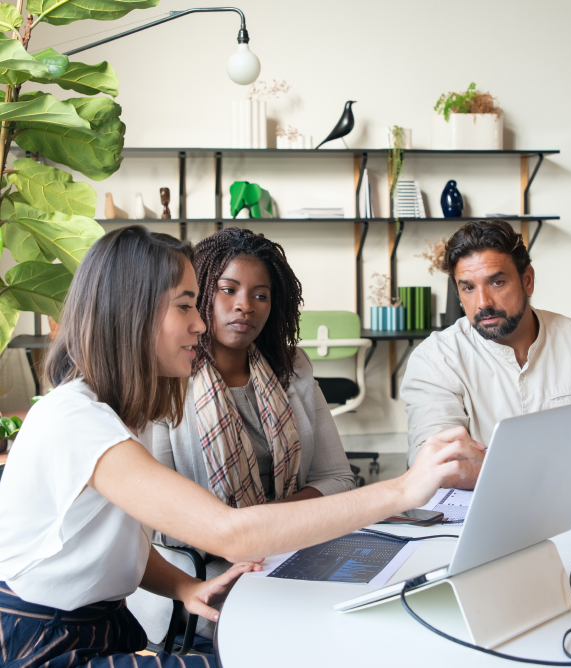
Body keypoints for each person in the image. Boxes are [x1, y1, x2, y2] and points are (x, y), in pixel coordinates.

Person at [0, 226, 482, 668]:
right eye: (187, 305)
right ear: (133, 312)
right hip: (45, 643)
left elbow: (113, 538)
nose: (200, 324)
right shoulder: (78, 420)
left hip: (100, 624)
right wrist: (403, 489)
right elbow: (229, 533)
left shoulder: (125, 412)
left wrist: (184, 586)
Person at [147, 227, 355, 640]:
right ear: (201, 291)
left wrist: (270, 528)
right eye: (228, 289)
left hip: (298, 553)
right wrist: (246, 534)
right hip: (212, 575)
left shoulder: (292, 367)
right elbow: (159, 523)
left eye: (261, 295)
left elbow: (338, 479)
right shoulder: (167, 376)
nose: (245, 306)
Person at [401, 219, 571, 489]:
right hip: (477, 519)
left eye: (497, 282)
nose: (483, 303)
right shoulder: (435, 359)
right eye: (468, 287)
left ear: (527, 281)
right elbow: (435, 465)